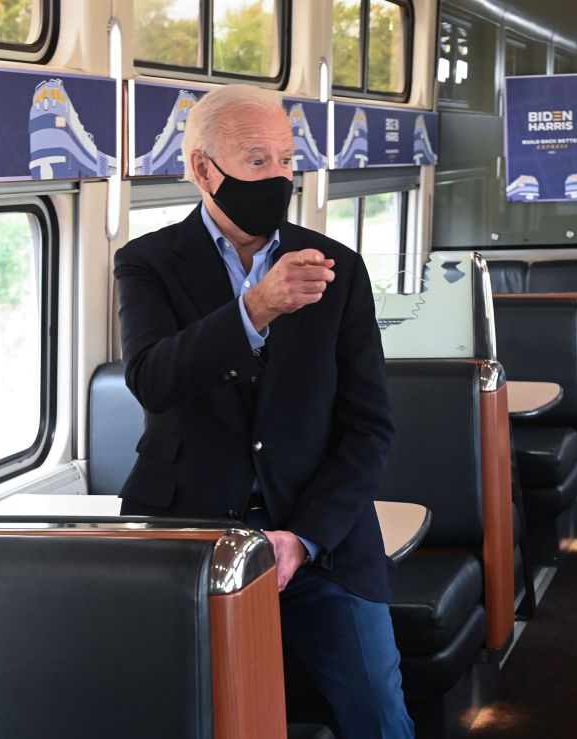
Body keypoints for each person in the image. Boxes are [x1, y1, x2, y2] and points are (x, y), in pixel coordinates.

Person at [114, 84, 414, 738]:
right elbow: (152, 379)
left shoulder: (338, 270)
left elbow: (370, 428)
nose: (279, 177)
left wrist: (301, 538)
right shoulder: (148, 264)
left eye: (287, 160)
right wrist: (255, 310)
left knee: (379, 712)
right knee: (162, 713)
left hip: (320, 537)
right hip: (188, 534)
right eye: (258, 161)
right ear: (203, 169)